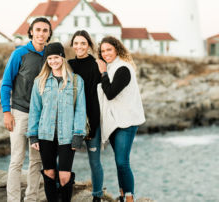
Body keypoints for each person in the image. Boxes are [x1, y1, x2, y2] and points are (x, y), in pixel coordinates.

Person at [26, 42, 86, 202]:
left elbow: (80, 109)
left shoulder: (76, 81)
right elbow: (35, 109)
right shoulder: (40, 82)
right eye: (50, 58)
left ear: (62, 58)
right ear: (47, 60)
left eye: (56, 57)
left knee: (65, 176)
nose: (53, 61)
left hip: (67, 136)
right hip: (45, 134)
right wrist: (33, 135)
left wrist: (78, 134)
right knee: (49, 173)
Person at [0, 17, 52, 202]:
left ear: (49, 34)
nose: (41, 33)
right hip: (20, 113)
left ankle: (31, 199)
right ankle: (13, 199)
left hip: (42, 117)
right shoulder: (19, 54)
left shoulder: (50, 56)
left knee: (37, 161)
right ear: (31, 32)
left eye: (45, 30)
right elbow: (6, 84)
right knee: (16, 160)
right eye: (38, 29)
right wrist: (7, 112)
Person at [96, 36, 146, 202]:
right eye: (103, 51)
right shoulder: (111, 67)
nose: (106, 53)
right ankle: (123, 195)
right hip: (114, 121)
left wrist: (102, 72)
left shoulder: (122, 68)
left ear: (117, 49)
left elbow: (110, 93)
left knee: (122, 162)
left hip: (126, 121)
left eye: (109, 49)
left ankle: (130, 197)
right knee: (119, 163)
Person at [68, 30, 104, 202]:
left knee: (94, 161)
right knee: (65, 160)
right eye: (76, 43)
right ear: (72, 45)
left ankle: (97, 196)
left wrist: (95, 123)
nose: (79, 46)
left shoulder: (97, 64)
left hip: (92, 119)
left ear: (89, 45)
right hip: (70, 121)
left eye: (83, 43)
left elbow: (103, 92)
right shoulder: (68, 65)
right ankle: (65, 189)